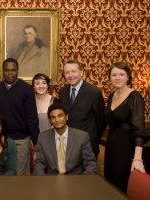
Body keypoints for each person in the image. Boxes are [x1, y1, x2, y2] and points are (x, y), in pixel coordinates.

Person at [0, 58, 39, 175]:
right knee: (2, 172)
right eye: (7, 70)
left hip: (21, 140)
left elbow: (32, 116)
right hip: (1, 139)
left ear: (18, 71)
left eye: (13, 70)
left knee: (18, 173)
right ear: (3, 71)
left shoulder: (26, 89)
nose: (10, 73)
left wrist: (35, 140)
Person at [104, 62, 148, 193]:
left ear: (128, 77)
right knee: (110, 184)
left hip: (126, 148)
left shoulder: (135, 98)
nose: (117, 78)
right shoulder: (112, 95)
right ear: (110, 78)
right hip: (111, 145)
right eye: (114, 75)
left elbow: (139, 130)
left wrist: (138, 158)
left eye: (121, 74)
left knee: (122, 185)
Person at [58, 59, 106, 159]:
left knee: (87, 174)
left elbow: (101, 121)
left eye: (73, 71)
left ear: (81, 72)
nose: (70, 75)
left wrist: (94, 138)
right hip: (67, 143)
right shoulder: (62, 92)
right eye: (67, 72)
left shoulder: (93, 93)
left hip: (87, 145)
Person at [34, 103, 97, 175]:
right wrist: (42, 182)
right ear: (50, 120)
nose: (57, 120)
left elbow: (90, 162)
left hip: (75, 179)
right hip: (51, 180)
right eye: (53, 117)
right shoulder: (43, 137)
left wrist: (83, 182)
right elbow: (39, 163)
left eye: (60, 116)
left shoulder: (82, 136)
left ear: (66, 117)